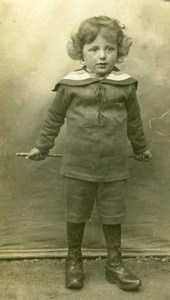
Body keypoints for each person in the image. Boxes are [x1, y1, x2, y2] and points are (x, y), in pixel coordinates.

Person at [27, 15, 152, 291]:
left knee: (113, 214)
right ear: (80, 52)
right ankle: (74, 260)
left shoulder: (126, 85)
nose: (103, 56)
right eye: (94, 49)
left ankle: (114, 264)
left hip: (114, 166)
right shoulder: (70, 85)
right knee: (77, 212)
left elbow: (134, 122)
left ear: (119, 50)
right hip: (78, 165)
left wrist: (141, 148)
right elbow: (54, 118)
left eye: (110, 49)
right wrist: (42, 146)